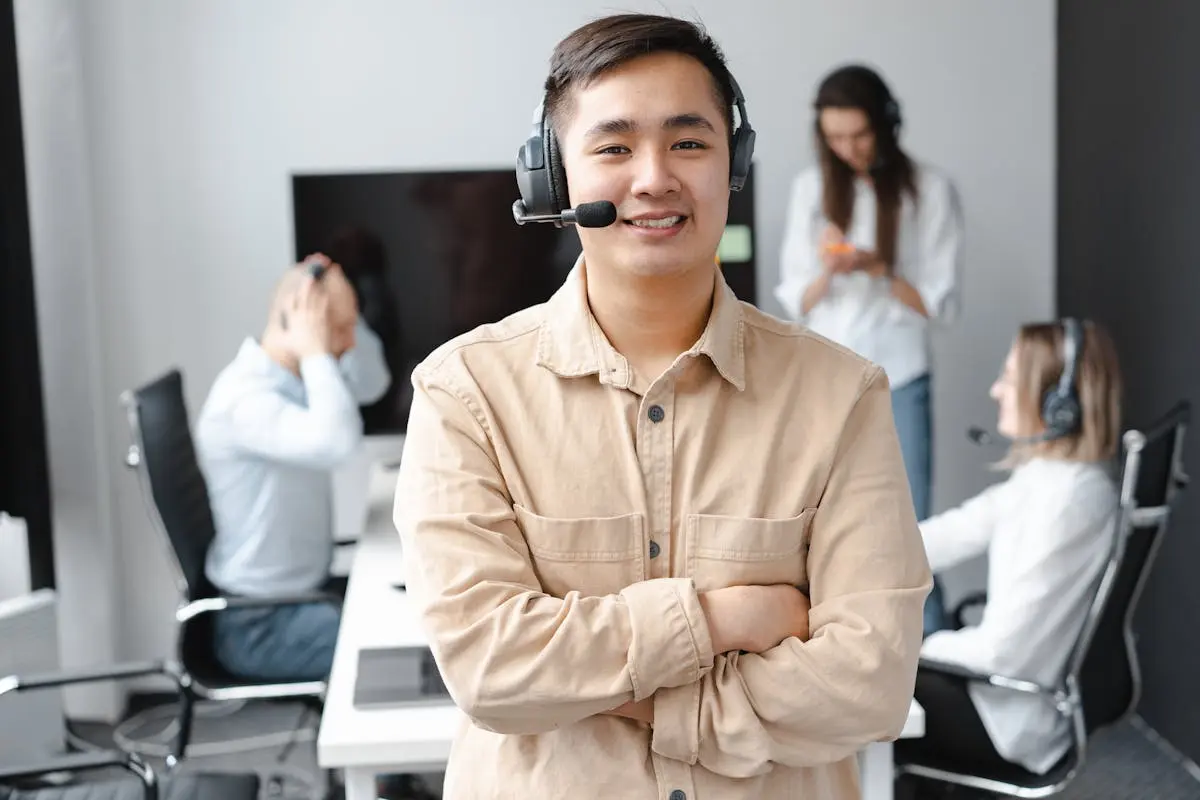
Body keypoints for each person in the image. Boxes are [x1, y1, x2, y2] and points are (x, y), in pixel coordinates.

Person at [393, 13, 931, 799]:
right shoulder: (463, 394)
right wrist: (722, 621)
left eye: (688, 141)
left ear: (732, 164)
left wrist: (627, 694)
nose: (653, 178)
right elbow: (489, 669)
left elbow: (871, 681)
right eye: (613, 147)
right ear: (553, 178)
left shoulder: (841, 395)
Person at [774, 64, 964, 637]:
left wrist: (881, 268)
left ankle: (927, 660)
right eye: (836, 138)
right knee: (825, 523)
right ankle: (840, 644)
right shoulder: (811, 189)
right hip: (826, 376)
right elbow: (797, 300)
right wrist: (832, 269)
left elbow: (942, 304)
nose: (849, 149)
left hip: (899, 373)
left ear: (885, 126)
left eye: (859, 134)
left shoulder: (929, 190)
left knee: (911, 522)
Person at [894, 319, 1123, 781]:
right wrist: (850, 550)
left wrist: (919, 648)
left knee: (851, 697)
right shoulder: (1048, 478)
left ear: (1059, 405)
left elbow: (1002, 653)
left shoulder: (1070, 502)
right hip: (997, 697)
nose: (997, 390)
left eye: (1011, 378)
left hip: (1009, 722)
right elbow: (958, 530)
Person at [196, 254, 390, 682]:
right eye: (339, 328)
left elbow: (374, 383)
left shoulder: (296, 381)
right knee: (391, 639)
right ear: (295, 322)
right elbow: (338, 444)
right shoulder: (245, 399)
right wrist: (316, 349)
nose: (349, 341)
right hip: (259, 624)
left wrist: (342, 308)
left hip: (306, 598)